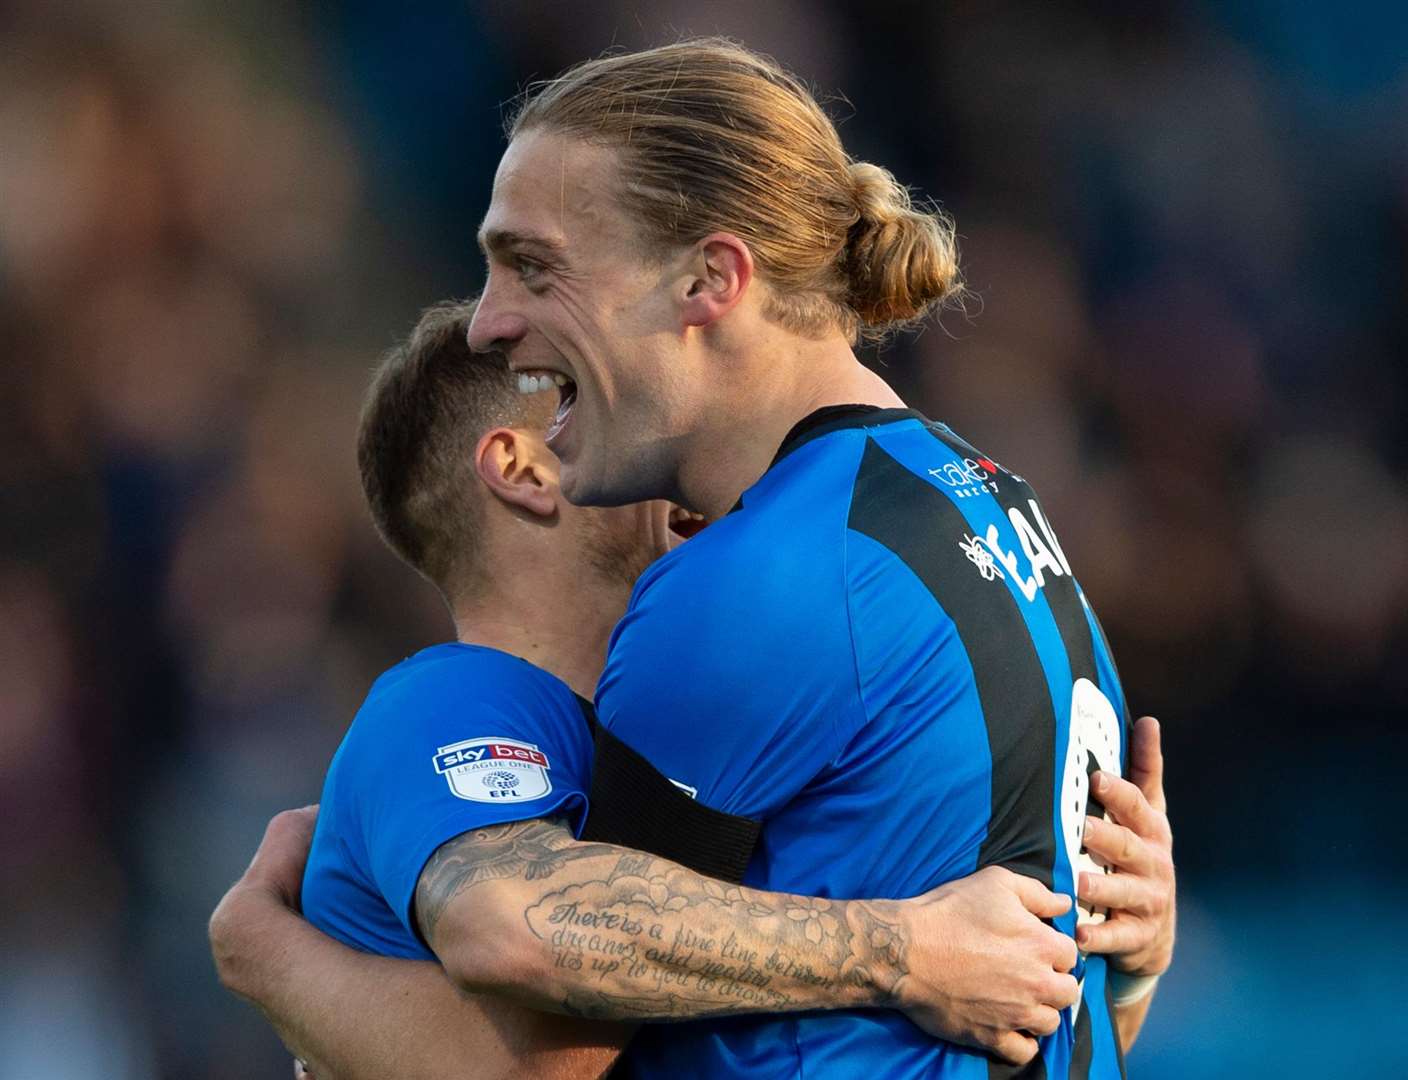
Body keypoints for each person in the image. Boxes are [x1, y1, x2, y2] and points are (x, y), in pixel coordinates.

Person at [218, 38, 1177, 1078]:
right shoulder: (987, 504)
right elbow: (1033, 1012)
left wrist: (263, 950)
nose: (492, 322)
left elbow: (538, 1012)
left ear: (707, 280)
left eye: (534, 266)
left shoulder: (766, 578)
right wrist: (1107, 964)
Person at [211, 299, 1090, 1079]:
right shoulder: (448, 704)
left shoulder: (695, 733)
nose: (663, 442)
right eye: (586, 402)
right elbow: (527, 1008)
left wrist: (1102, 935)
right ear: (522, 467)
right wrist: (907, 952)